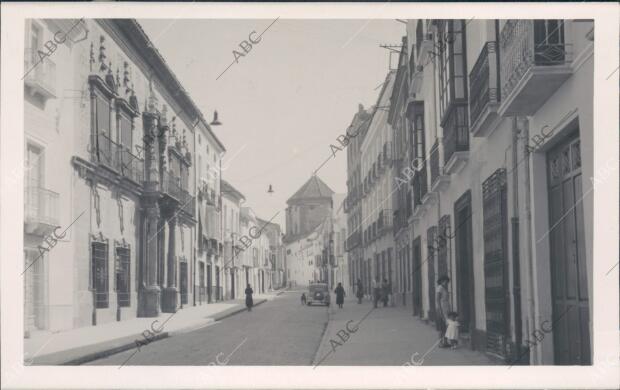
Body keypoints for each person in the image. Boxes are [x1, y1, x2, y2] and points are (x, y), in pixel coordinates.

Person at [435, 275, 452, 347]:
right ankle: (440, 343)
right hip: (442, 309)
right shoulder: (439, 288)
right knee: (441, 327)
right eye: (445, 281)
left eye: (447, 282)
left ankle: (445, 342)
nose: (446, 283)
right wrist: (440, 311)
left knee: (446, 326)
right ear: (441, 281)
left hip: (446, 309)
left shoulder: (444, 288)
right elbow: (437, 300)